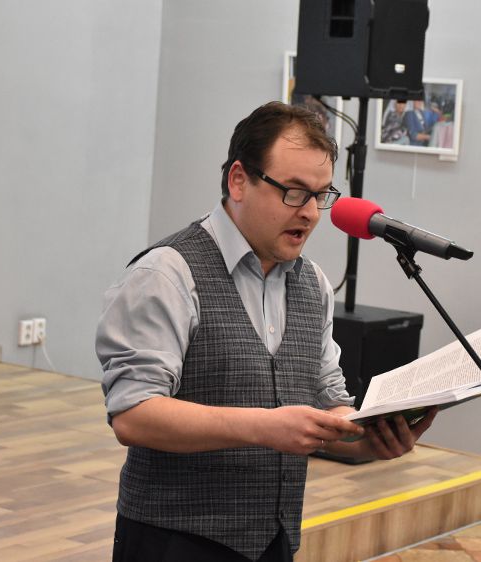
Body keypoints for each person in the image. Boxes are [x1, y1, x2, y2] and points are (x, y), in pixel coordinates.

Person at [95, 101, 437, 562]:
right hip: (173, 541)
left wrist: (368, 440)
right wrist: (265, 427)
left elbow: (328, 399)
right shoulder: (166, 273)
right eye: (294, 192)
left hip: (273, 542)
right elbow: (134, 415)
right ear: (239, 180)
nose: (310, 213)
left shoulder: (312, 283)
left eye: (320, 195)